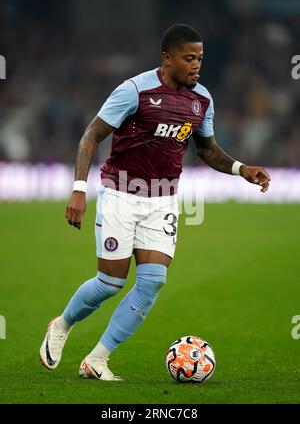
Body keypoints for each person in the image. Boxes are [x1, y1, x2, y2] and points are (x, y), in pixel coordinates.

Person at [39, 24, 271, 381]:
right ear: (167, 58)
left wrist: (242, 169)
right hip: (120, 194)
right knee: (110, 283)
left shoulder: (202, 100)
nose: (196, 65)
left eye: (200, 58)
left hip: (163, 200)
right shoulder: (135, 90)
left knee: (152, 282)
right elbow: (91, 136)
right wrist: (78, 189)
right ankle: (62, 324)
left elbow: (207, 149)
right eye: (189, 58)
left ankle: (97, 359)